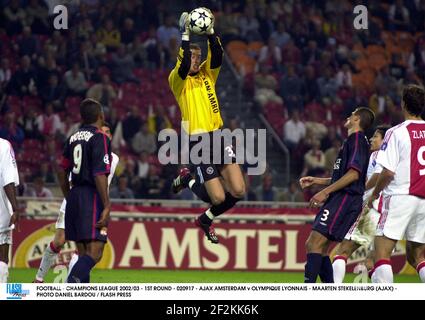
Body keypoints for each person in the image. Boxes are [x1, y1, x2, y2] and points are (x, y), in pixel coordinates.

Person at [169, 10, 245, 244]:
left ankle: (205, 219)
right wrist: (185, 36)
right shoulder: (177, 80)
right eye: (191, 57)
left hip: (219, 137)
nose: (196, 60)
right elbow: (182, 67)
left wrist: (211, 32)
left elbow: (219, 55)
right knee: (218, 197)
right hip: (198, 141)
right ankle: (188, 179)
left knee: (239, 191)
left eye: (197, 56)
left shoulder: (207, 75)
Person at [33, 123, 118, 283]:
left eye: (108, 132)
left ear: (111, 137)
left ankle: (73, 285)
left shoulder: (114, 159)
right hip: (76, 197)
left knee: (88, 251)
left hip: (93, 202)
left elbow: (104, 181)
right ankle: (39, 279)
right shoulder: (88, 146)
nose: (104, 135)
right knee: (59, 241)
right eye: (102, 132)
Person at [300, 107, 375, 283]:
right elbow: (344, 176)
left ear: (357, 119)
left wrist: (324, 192)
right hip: (343, 198)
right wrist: (317, 181)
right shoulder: (353, 141)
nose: (348, 116)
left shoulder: (356, 140)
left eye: (351, 114)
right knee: (321, 248)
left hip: (345, 199)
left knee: (314, 243)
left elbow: (354, 175)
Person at [367, 85, 425, 283]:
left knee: (381, 253)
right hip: (424, 201)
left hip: (400, 196)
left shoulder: (395, 132)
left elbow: (388, 172)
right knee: (417, 257)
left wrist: (375, 194)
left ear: (403, 104)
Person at [57, 98, 112, 283]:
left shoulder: (72, 137)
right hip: (91, 196)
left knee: (83, 254)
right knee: (95, 253)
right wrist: (106, 205)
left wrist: (68, 195)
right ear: (100, 116)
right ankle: (68, 288)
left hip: (75, 195)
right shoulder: (100, 137)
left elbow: (61, 169)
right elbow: (99, 174)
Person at [332, 125, 390, 283]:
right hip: (390, 213)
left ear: (385, 139)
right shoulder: (396, 156)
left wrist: (362, 189)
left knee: (343, 250)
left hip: (373, 210)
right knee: (375, 261)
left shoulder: (379, 155)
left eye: (376, 136)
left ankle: (332, 291)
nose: (371, 139)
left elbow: (378, 175)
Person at [0, 138, 19, 283]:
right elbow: (8, 179)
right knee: (2, 257)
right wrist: (15, 208)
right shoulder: (3, 145)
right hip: (1, 209)